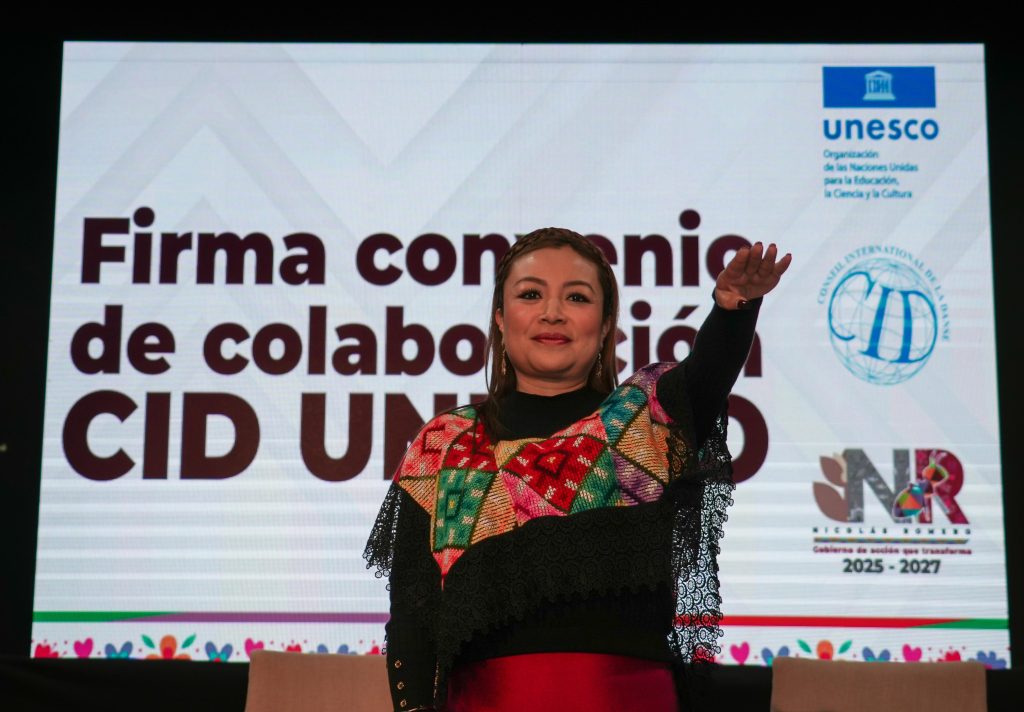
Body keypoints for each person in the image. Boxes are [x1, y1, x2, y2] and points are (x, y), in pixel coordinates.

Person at [364, 227, 791, 712]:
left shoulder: (647, 417)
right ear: (500, 318)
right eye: (531, 294)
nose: (553, 312)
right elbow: (413, 617)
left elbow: (709, 372)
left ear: (606, 324)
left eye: (577, 297)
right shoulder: (446, 444)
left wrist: (733, 309)